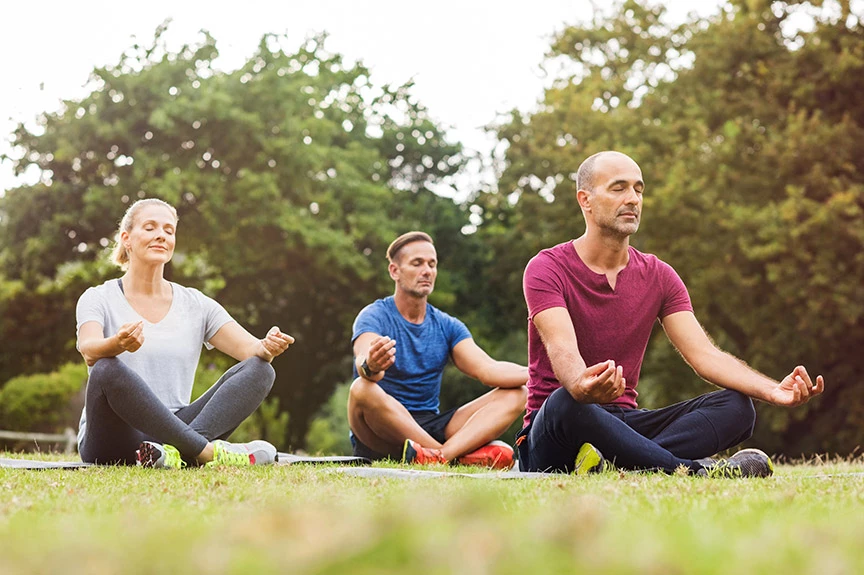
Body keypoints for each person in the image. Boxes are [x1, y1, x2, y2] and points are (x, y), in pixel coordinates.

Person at [518, 151, 825, 477]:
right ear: (586, 200)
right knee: (567, 403)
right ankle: (694, 472)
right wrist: (580, 385)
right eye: (618, 188)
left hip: (624, 421)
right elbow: (562, 348)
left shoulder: (659, 275)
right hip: (556, 429)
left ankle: (621, 464)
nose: (633, 199)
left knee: (738, 407)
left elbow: (705, 355)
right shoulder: (546, 268)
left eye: (639, 189)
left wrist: (772, 390)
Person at [76, 198, 295, 468]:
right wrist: (117, 343)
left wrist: (268, 346)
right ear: (127, 238)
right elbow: (89, 350)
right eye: (150, 227)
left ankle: (175, 454)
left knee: (261, 370)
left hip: (178, 427)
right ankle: (203, 453)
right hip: (113, 438)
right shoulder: (98, 297)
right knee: (106, 368)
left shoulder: (195, 303)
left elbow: (252, 351)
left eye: (169, 230)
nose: (161, 235)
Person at [348, 231, 528, 469]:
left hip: (431, 424)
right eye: (417, 263)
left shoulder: (447, 325)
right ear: (394, 271)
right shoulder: (374, 315)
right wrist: (371, 364)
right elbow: (366, 365)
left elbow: (488, 370)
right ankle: (450, 456)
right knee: (361, 388)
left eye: (432, 264)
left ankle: (439, 457)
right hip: (380, 430)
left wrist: (547, 371)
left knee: (518, 393)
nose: (427, 271)